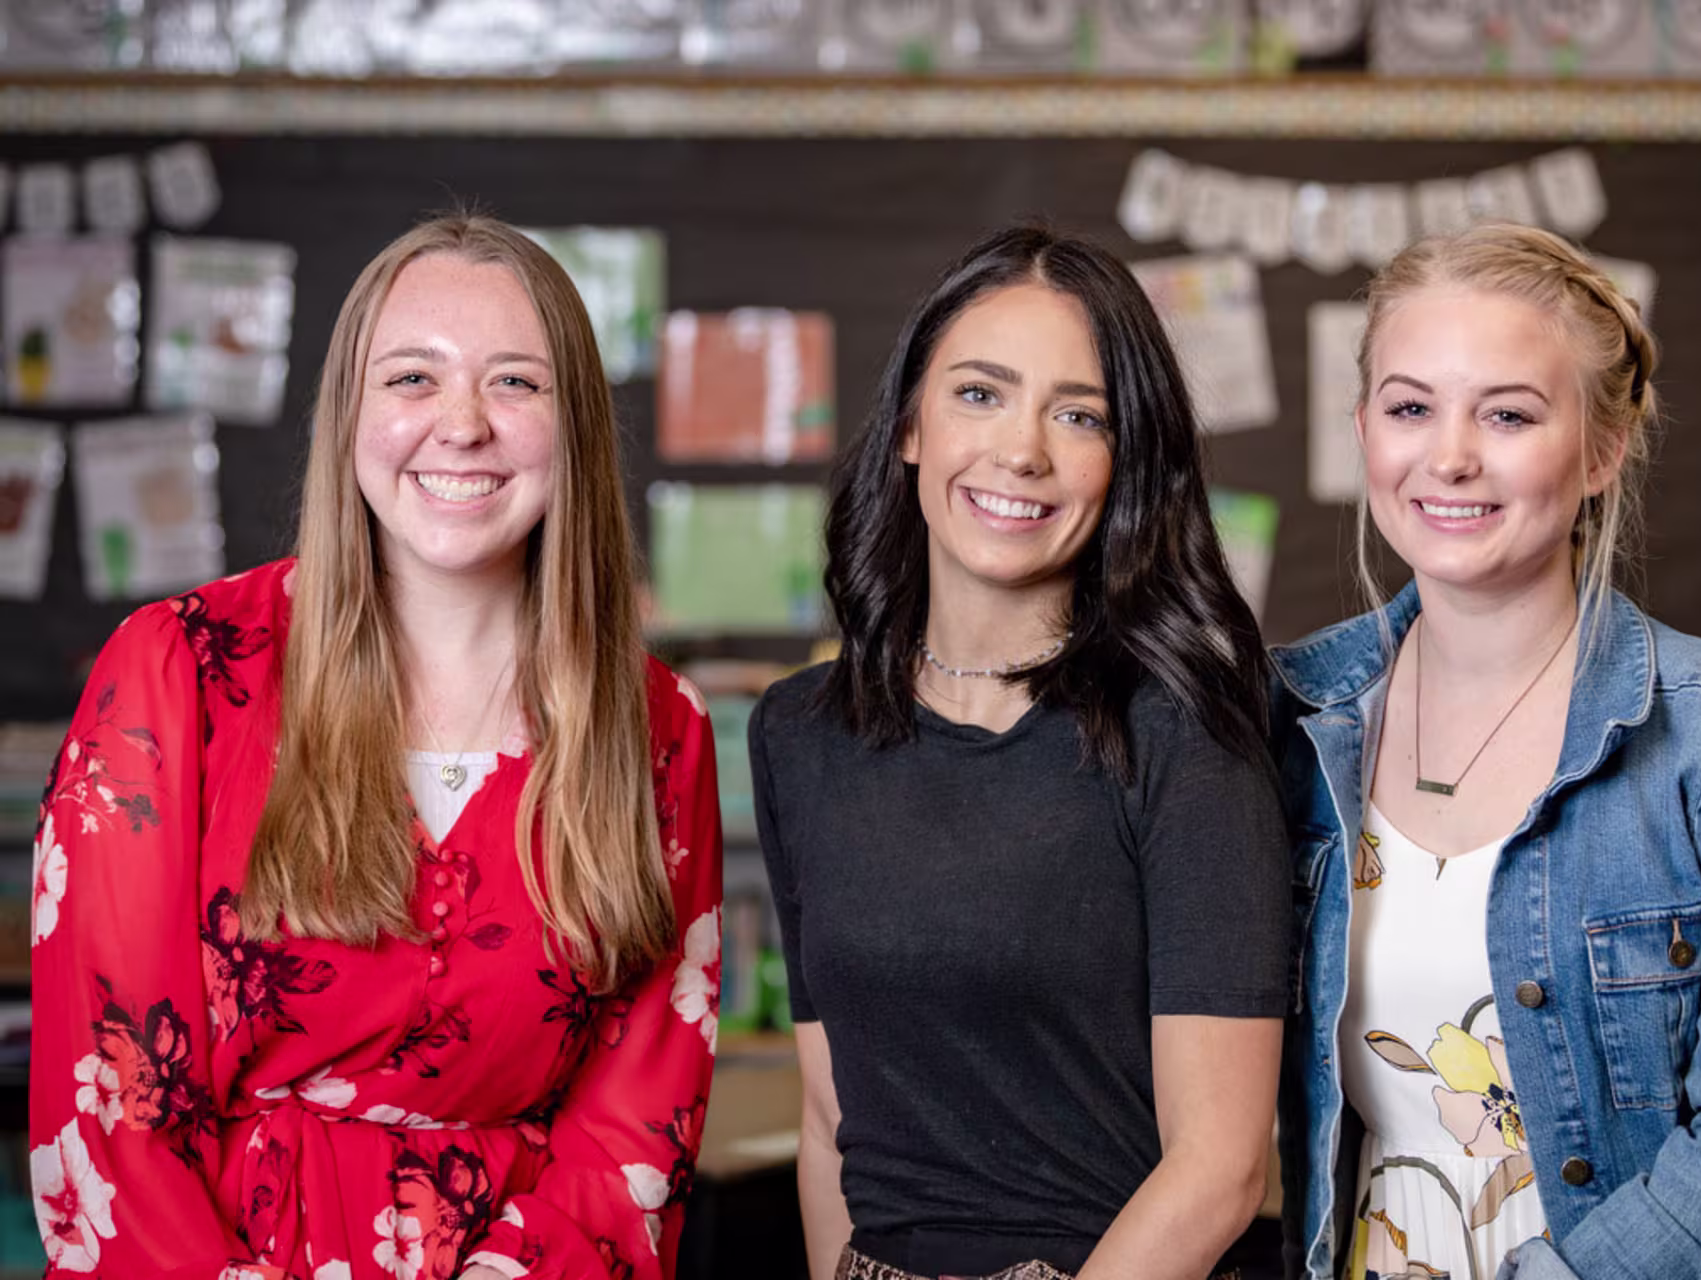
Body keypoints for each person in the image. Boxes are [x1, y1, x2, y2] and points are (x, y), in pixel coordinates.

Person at [30, 215, 722, 1280]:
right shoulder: (180, 675)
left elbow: (635, 1120)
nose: (462, 424)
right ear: (348, 412)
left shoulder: (657, 726)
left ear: (573, 425)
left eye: (515, 384)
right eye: (412, 377)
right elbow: (112, 1102)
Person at [1268, 221, 1701, 1280]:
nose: (1449, 455)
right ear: (1364, 429)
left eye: (1510, 413)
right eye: (1409, 406)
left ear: (1602, 448)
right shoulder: (1291, 721)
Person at [749, 225, 1290, 1280]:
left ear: (1126, 460)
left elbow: (1221, 1166)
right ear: (911, 421)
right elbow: (828, 1118)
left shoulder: (1190, 730)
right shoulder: (799, 733)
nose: (1023, 450)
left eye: (1079, 414)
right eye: (980, 394)